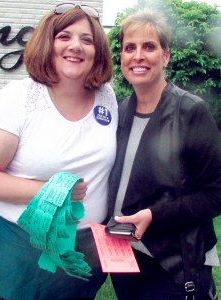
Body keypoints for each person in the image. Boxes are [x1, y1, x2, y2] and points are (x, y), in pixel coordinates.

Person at [0, 3, 118, 300]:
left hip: (87, 246)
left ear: (97, 50)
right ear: (48, 42)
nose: (76, 46)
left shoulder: (106, 96)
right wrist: (53, 192)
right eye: (65, 37)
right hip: (25, 246)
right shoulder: (18, 98)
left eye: (87, 40)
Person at [107, 8, 221, 300]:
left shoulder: (190, 111)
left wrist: (154, 217)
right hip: (123, 254)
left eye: (149, 47)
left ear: (166, 56)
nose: (138, 56)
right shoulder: (119, 111)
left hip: (174, 260)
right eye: (130, 48)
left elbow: (215, 193)